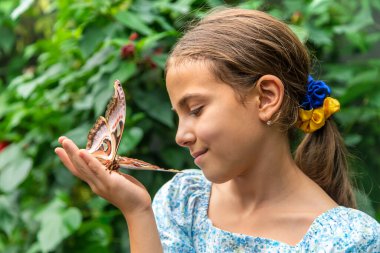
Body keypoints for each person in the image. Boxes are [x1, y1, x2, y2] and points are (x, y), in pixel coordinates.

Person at [55, 7, 380, 252]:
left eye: (195, 110)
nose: (181, 135)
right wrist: (136, 210)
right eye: (179, 116)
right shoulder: (183, 203)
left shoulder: (347, 241)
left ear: (266, 98)